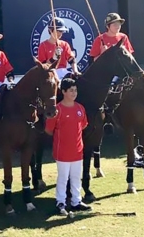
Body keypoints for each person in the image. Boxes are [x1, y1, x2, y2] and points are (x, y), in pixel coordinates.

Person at [45, 77, 92, 215]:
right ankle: (61, 202)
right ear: (63, 92)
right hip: (62, 152)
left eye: (75, 90)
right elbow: (49, 130)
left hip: (78, 150)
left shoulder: (80, 108)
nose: (74, 93)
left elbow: (83, 125)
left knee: (77, 177)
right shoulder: (57, 110)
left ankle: (76, 201)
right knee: (63, 178)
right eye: (71, 91)